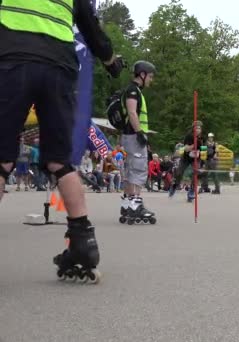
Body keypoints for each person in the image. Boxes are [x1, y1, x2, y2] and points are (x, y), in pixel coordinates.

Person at [0, 0, 125, 282]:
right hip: (59, 68)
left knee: (2, 157)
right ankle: (84, 245)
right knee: (60, 160)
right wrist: (111, 62)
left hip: (12, 59)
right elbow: (91, 29)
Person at [119, 60, 156, 222]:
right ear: (142, 74)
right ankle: (135, 205)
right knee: (138, 169)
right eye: (150, 76)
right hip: (134, 136)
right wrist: (140, 132)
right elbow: (132, 113)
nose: (151, 80)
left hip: (129, 136)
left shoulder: (133, 90)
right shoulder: (133, 91)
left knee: (129, 169)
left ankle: (127, 203)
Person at [169, 121, 204, 198]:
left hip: (196, 158)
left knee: (196, 173)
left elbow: (203, 150)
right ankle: (174, 186)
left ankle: (191, 191)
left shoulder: (201, 138)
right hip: (186, 157)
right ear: (193, 128)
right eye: (196, 128)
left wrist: (202, 161)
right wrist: (194, 145)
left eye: (199, 128)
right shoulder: (189, 136)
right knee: (179, 172)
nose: (198, 129)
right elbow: (186, 149)